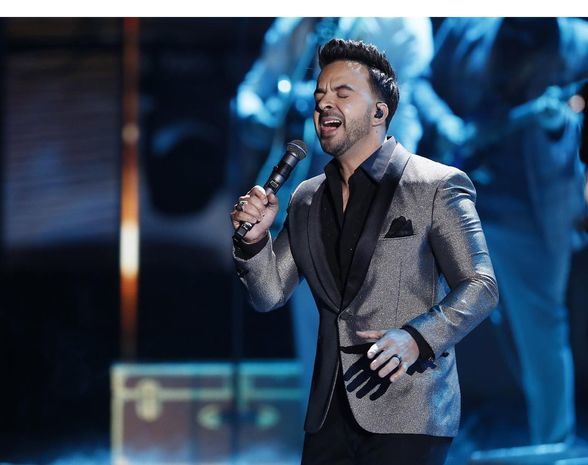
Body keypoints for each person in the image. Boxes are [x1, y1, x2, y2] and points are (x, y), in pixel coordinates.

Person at [230, 39, 498, 465]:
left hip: (408, 410)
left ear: (380, 112)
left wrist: (417, 338)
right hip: (326, 416)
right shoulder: (305, 198)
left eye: (342, 93)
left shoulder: (435, 185)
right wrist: (253, 242)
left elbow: (481, 285)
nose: (323, 104)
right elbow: (268, 295)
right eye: (319, 95)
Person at [233, 18, 434, 413]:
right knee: (315, 334)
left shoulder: (400, 17)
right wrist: (258, 113)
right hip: (312, 202)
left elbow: (408, 100)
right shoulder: (297, 22)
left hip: (380, 198)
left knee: (379, 327)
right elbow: (255, 87)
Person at [413, 18, 588, 446]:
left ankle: (555, 446)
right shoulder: (466, 25)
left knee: (543, 333)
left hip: (532, 213)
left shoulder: (577, 43)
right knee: (416, 323)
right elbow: (421, 83)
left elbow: (575, 129)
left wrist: (557, 127)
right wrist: (447, 124)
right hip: (453, 203)